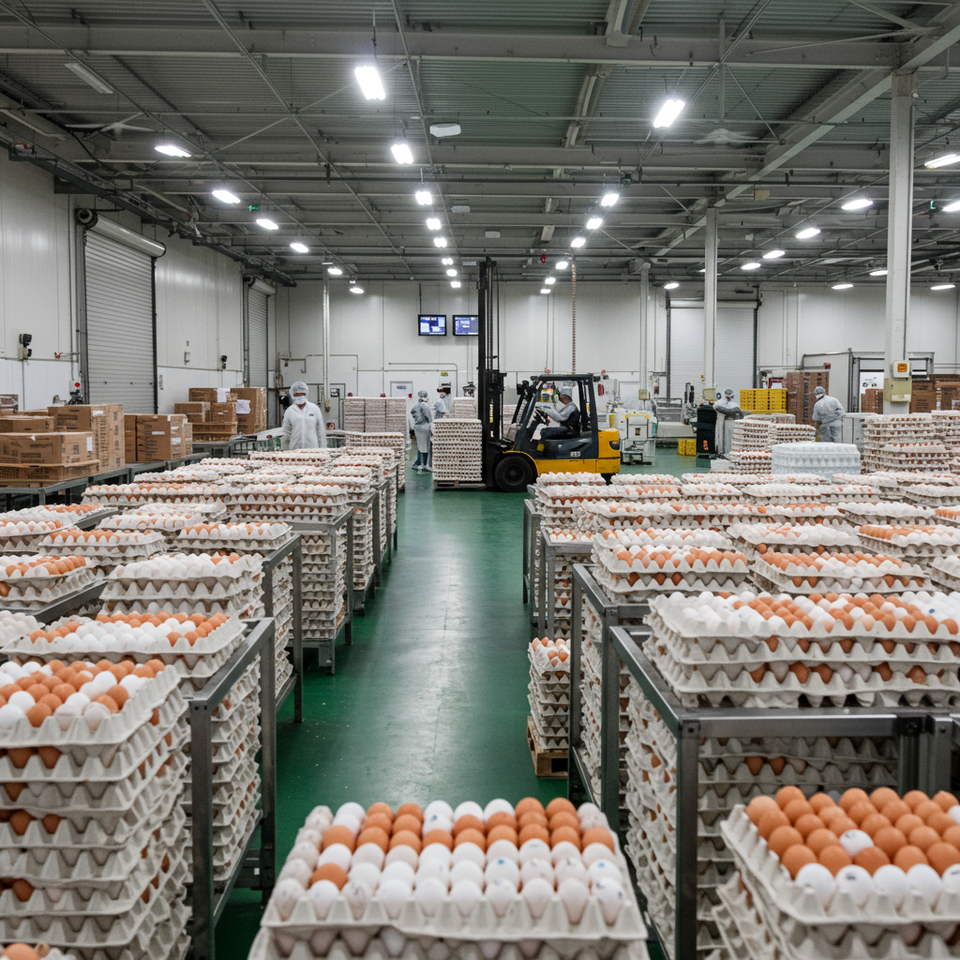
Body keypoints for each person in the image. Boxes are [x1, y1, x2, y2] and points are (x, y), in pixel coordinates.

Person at [281, 381, 326, 449]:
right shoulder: (289, 411)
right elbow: (286, 433)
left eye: (302, 394)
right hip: (294, 449)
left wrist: (323, 449)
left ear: (306, 394)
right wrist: (285, 450)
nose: (300, 396)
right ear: (293, 395)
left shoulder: (314, 409)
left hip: (313, 449)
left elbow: (321, 431)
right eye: (297, 394)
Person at [713, 388, 745, 456]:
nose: (729, 398)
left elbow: (739, 414)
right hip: (720, 423)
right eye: (727, 397)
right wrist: (730, 411)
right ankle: (720, 452)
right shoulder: (719, 403)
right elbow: (718, 408)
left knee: (729, 438)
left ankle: (729, 452)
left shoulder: (734, 404)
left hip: (730, 423)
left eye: (730, 397)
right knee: (720, 438)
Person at [410, 389, 434, 471]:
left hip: (418, 427)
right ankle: (423, 464)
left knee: (421, 447)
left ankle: (419, 463)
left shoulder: (417, 405)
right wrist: (432, 424)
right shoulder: (424, 405)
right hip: (424, 428)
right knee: (425, 447)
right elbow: (429, 417)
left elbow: (413, 412)